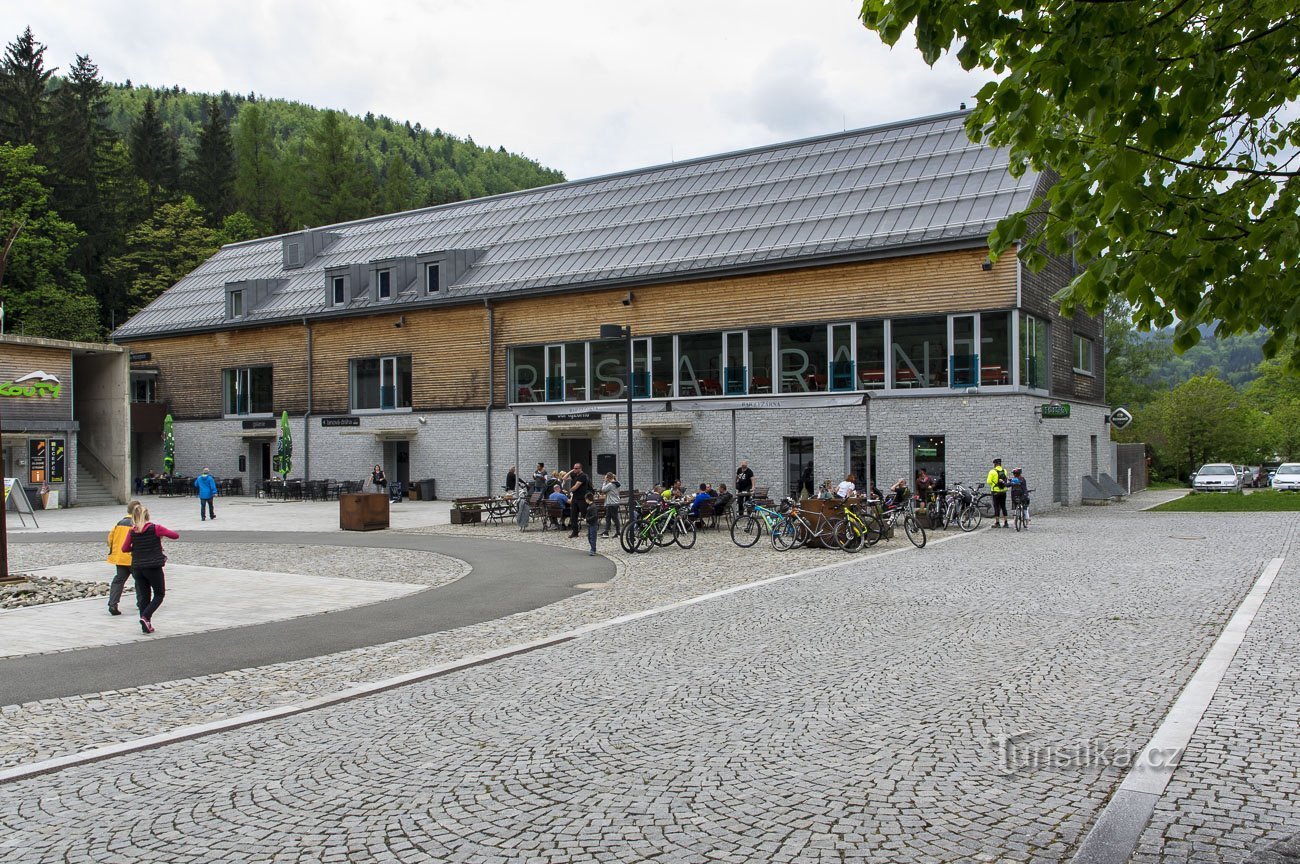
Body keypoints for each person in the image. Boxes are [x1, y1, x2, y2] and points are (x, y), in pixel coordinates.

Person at [121, 504, 180, 635]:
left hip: (137, 567)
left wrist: (137, 548)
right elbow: (175, 535)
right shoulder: (155, 528)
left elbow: (124, 549)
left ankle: (146, 625)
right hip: (153, 567)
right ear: (148, 516)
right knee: (159, 594)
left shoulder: (132, 531)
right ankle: (146, 617)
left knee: (144, 596)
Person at [105, 499, 141, 616]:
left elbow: (110, 539)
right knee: (140, 581)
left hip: (120, 558)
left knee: (118, 580)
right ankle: (141, 603)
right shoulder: (139, 524)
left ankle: (113, 603)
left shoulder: (119, 523)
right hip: (134, 558)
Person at [567, 462, 590, 537]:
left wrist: (569, 491)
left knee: (585, 515)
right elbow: (564, 478)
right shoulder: (574, 475)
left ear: (580, 469)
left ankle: (591, 530)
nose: (575, 469)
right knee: (573, 516)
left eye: (576, 468)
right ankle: (575, 532)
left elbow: (576, 487)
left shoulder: (583, 476)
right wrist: (571, 471)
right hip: (575, 498)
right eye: (574, 468)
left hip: (582, 498)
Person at [986, 457, 1011, 528]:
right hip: (1003, 491)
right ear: (1000, 464)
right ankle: (1006, 523)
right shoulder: (1004, 471)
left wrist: (994, 484)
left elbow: (988, 481)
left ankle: (997, 523)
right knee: (1003, 506)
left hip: (995, 491)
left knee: (996, 507)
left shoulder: (992, 471)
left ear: (995, 464)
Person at [601, 472, 622, 537]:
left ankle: (617, 532)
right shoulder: (618, 483)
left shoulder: (610, 484)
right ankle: (606, 531)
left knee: (613, 518)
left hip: (611, 503)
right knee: (609, 518)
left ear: (608, 478)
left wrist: (604, 482)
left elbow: (603, 490)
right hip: (615, 503)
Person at [583, 491, 600, 556]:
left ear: (587, 499)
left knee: (592, 537)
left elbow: (595, 516)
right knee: (590, 537)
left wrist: (587, 519)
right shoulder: (591, 506)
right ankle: (592, 548)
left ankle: (593, 549)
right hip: (591, 523)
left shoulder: (593, 507)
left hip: (593, 524)